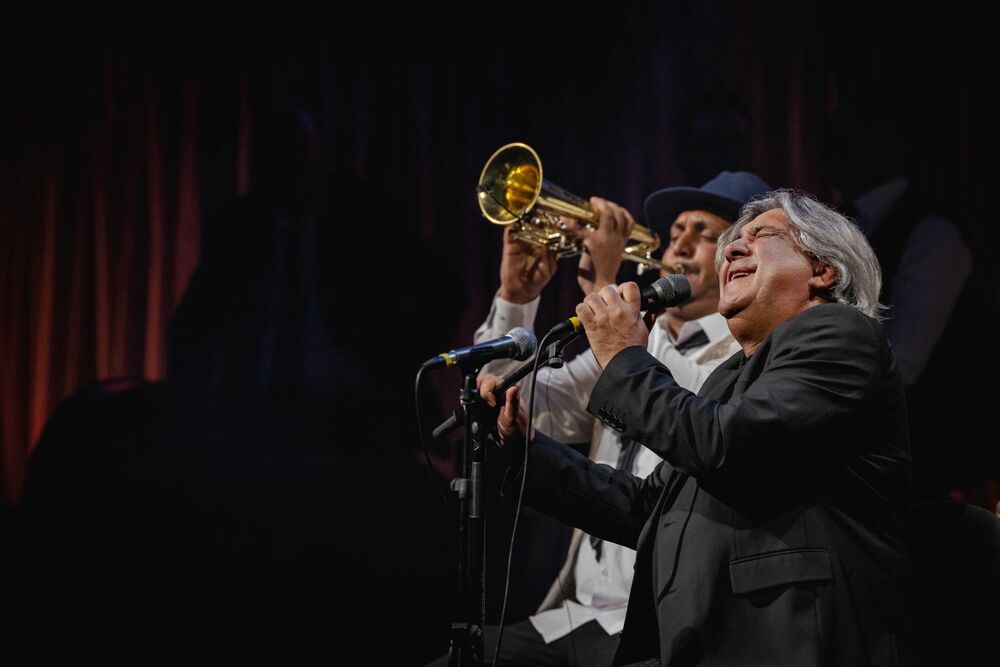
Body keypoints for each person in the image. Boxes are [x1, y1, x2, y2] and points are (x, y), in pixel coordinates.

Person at [488, 190, 914, 665]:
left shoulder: (841, 334)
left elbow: (726, 444)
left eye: (760, 236)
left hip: (787, 639)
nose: (730, 249)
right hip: (703, 640)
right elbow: (648, 507)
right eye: (733, 239)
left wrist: (625, 356)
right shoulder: (730, 377)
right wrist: (526, 451)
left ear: (822, 271)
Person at [465, 172, 770, 665]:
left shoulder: (746, 356)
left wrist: (608, 290)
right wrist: (516, 299)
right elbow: (518, 400)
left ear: (739, 260)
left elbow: (682, 402)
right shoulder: (628, 345)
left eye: (702, 232)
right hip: (576, 615)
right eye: (674, 234)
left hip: (659, 624)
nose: (679, 245)